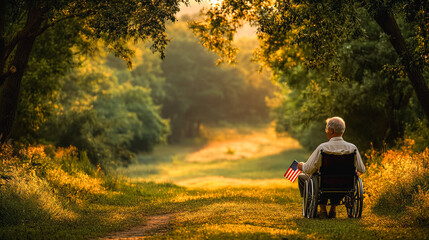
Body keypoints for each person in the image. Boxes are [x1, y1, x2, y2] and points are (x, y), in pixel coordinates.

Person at [297, 116, 365, 219]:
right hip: (345, 185)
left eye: (326, 129)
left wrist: (302, 166)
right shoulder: (352, 148)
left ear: (331, 131)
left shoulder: (323, 148)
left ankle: (323, 210)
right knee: (338, 180)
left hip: (324, 184)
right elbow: (362, 169)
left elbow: (308, 169)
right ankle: (333, 210)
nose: (326, 131)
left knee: (303, 177)